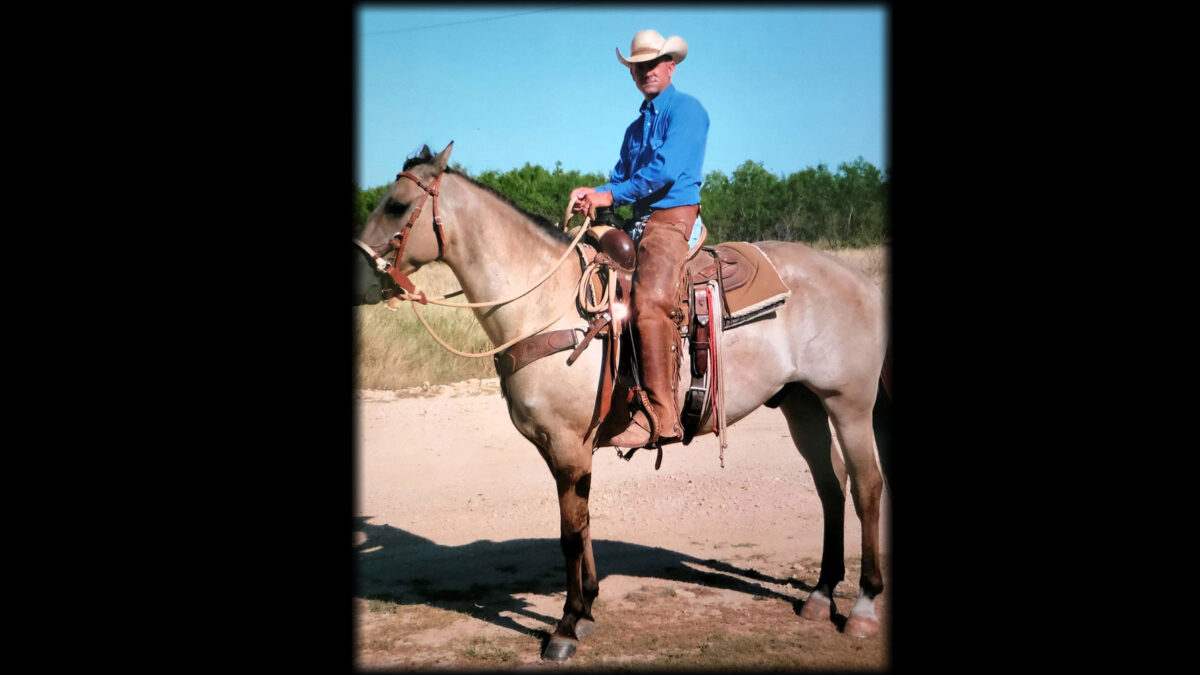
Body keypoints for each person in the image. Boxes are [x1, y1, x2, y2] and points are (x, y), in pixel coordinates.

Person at [570, 29, 709, 448]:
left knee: (649, 303)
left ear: (671, 66)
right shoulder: (634, 128)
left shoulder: (687, 111)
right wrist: (591, 195)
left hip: (672, 218)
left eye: (653, 64)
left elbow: (664, 171)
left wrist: (609, 194)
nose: (645, 71)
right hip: (639, 222)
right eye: (638, 66)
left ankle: (663, 416)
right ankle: (620, 399)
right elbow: (619, 178)